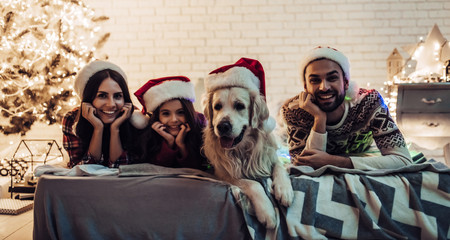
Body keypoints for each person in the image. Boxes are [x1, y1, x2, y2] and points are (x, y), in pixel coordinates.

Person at [282, 46, 413, 170]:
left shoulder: (368, 102)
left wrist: (333, 161)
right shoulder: (294, 111)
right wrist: (319, 119)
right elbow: (305, 168)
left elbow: (403, 159)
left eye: (332, 78)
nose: (324, 87)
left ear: (346, 82)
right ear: (305, 86)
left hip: (365, 155)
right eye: (315, 80)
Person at [62, 60, 147, 168]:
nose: (111, 104)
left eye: (117, 96)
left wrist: (115, 128)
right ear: (88, 99)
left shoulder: (135, 118)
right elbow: (81, 168)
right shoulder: (72, 119)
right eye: (102, 96)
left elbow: (123, 168)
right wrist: (98, 128)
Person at [133, 76, 207, 170]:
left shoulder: (200, 128)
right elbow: (156, 169)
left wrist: (181, 144)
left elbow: (197, 169)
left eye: (181, 112)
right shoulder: (150, 134)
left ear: (188, 112)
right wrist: (169, 143)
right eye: (166, 114)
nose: (174, 120)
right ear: (157, 116)